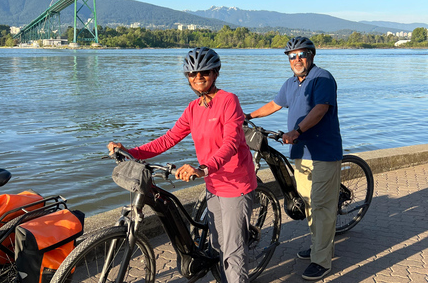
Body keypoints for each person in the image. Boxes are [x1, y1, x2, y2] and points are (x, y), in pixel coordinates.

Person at [108, 47, 258, 283]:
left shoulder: (228, 100)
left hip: (235, 182)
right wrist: (130, 150)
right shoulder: (193, 108)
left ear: (215, 73)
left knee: (233, 250)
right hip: (213, 183)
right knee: (217, 244)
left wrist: (203, 168)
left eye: (204, 72)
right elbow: (168, 139)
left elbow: (231, 143)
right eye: (193, 74)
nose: (198, 77)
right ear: (188, 77)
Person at [245, 37, 342, 281]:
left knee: (321, 205)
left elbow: (320, 109)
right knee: (308, 201)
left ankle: (322, 260)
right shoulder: (290, 83)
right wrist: (247, 115)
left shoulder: (322, 78)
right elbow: (274, 105)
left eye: (301, 55)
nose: (297, 60)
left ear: (311, 56)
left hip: (323, 152)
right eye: (292, 56)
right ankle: (318, 244)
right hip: (301, 153)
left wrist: (297, 131)